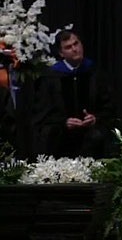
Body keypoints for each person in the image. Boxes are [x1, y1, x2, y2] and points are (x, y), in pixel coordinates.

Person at [32, 30, 114, 158]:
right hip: (61, 141)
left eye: (76, 44)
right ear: (61, 53)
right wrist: (63, 122)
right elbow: (43, 114)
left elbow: (108, 106)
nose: (75, 49)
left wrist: (95, 118)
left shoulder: (94, 72)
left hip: (92, 139)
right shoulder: (50, 78)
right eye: (68, 47)